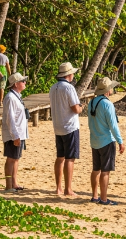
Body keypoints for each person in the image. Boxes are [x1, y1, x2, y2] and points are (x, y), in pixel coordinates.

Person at [88, 77, 124, 206]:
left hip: (95, 140)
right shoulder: (107, 104)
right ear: (108, 90)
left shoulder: (91, 103)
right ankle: (104, 198)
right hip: (106, 140)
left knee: (96, 169)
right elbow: (113, 125)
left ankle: (94, 196)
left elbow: (90, 123)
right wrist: (120, 141)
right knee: (105, 171)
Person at [50, 62, 83, 196]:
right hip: (70, 126)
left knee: (60, 157)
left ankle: (58, 187)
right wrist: (81, 108)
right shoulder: (69, 88)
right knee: (70, 158)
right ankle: (68, 188)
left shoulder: (53, 87)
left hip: (58, 125)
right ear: (69, 75)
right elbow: (75, 108)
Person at [2, 72, 29, 193]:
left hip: (20, 133)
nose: (25, 83)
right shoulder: (10, 98)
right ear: (16, 84)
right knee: (11, 159)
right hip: (14, 134)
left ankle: (14, 183)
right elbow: (10, 118)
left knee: (16, 158)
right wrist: (15, 136)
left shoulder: (16, 96)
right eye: (22, 81)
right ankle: (8, 185)